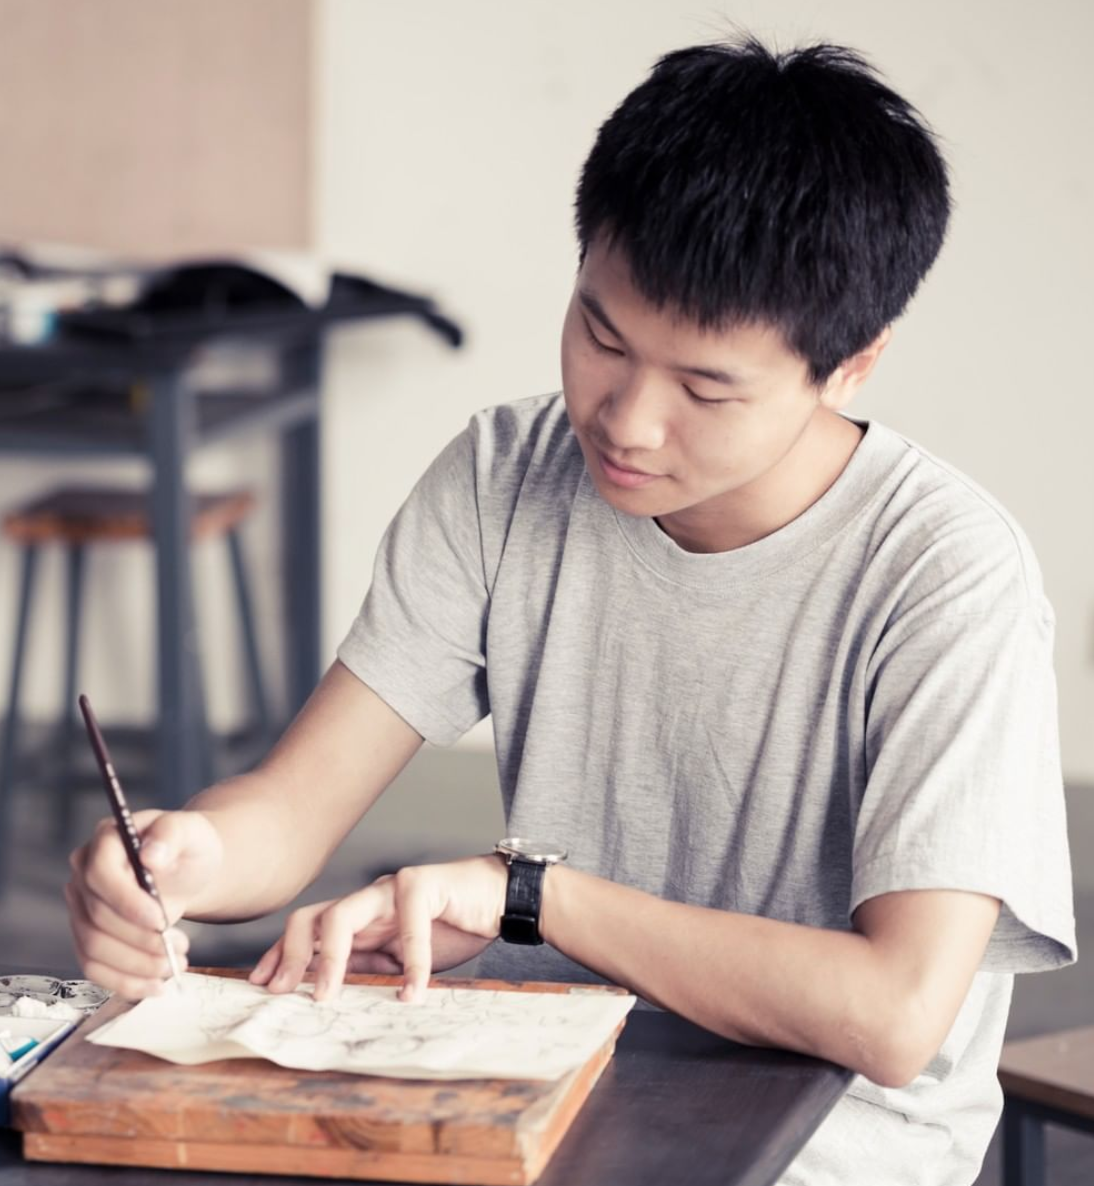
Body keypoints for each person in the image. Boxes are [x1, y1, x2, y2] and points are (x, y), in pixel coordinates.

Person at [66, 37, 1075, 1185]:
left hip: (825, 1145)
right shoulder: (504, 475)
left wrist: (527, 896)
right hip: (532, 1086)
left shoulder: (944, 576)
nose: (627, 420)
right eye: (600, 334)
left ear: (849, 365)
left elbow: (892, 1014)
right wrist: (178, 858)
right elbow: (288, 817)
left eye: (704, 386)